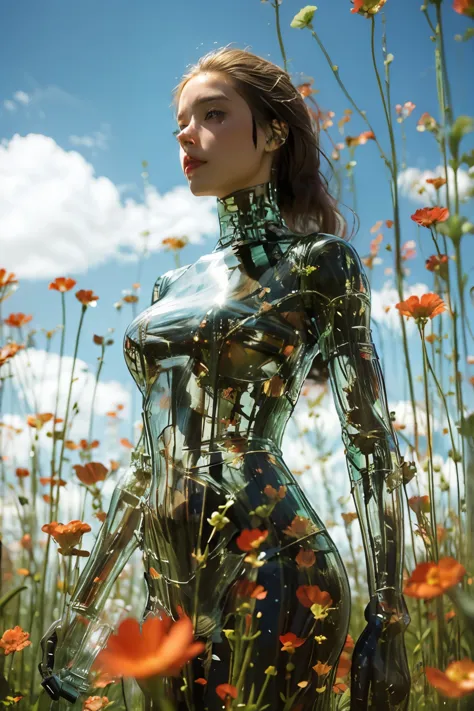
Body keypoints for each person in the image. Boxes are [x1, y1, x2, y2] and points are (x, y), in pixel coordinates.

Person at [39, 47, 411, 711]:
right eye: (181, 121)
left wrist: (390, 617)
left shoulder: (319, 263)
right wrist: (84, 603)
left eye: (213, 114)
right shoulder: (170, 285)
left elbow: (369, 440)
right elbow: (149, 460)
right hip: (167, 579)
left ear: (272, 133)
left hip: (275, 564)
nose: (187, 133)